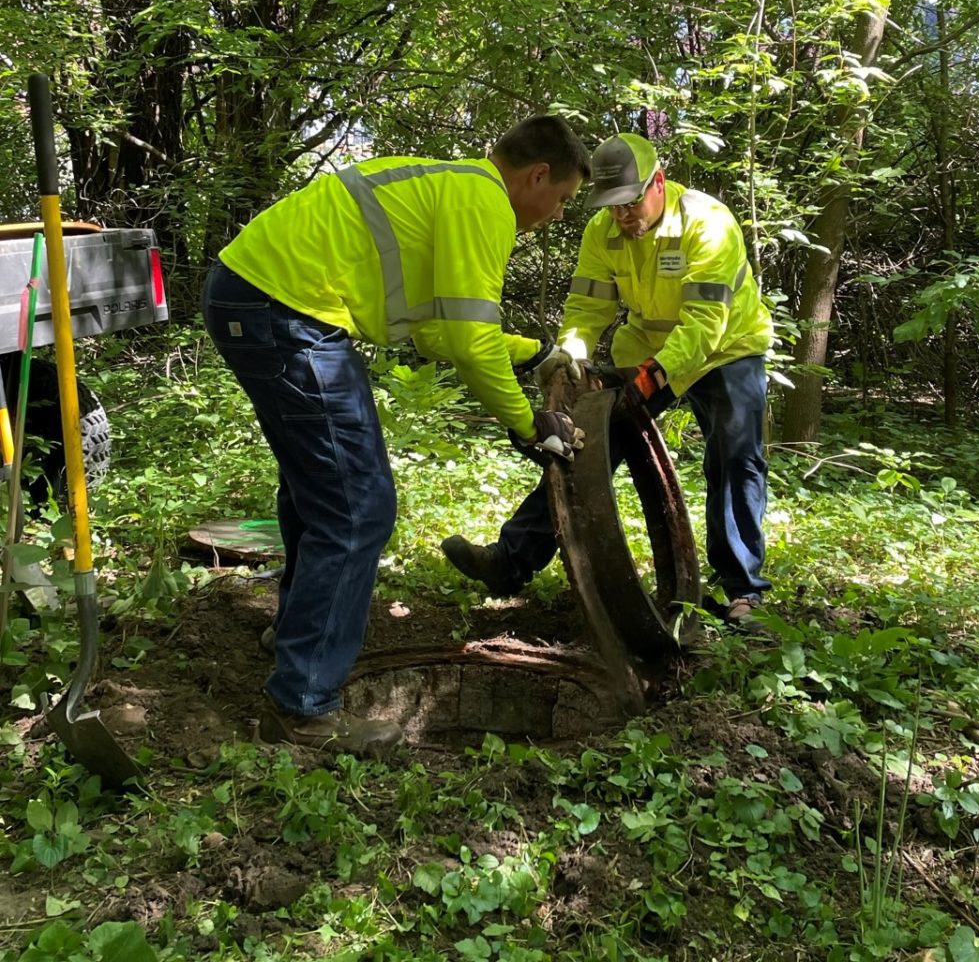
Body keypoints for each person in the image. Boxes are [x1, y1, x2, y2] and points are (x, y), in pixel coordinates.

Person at [202, 115, 591, 756]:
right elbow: (466, 342)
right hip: (287, 311)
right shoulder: (484, 201)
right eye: (564, 200)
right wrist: (530, 426)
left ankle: (299, 631)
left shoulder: (455, 188)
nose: (555, 214)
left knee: (318, 487)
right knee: (358, 507)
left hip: (253, 295)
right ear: (538, 175)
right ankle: (302, 709)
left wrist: (534, 351)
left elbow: (442, 331)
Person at [441, 133, 773, 625]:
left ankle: (744, 590)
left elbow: (706, 321)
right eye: (613, 206)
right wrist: (570, 357)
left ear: (658, 183)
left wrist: (655, 376)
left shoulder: (708, 222)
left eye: (632, 203)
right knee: (584, 446)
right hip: (644, 350)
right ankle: (510, 562)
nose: (623, 216)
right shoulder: (602, 231)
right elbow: (587, 308)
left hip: (726, 350)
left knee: (735, 459)